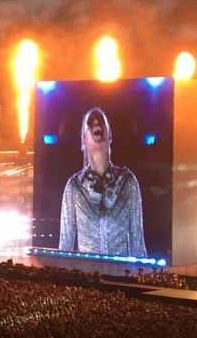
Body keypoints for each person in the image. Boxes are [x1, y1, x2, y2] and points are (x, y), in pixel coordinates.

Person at [58, 107, 146, 257]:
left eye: (100, 120)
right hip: (85, 278)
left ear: (110, 136)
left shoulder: (128, 182)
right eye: (90, 122)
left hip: (121, 276)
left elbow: (138, 242)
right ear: (83, 139)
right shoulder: (74, 187)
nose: (96, 122)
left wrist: (142, 277)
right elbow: (65, 246)